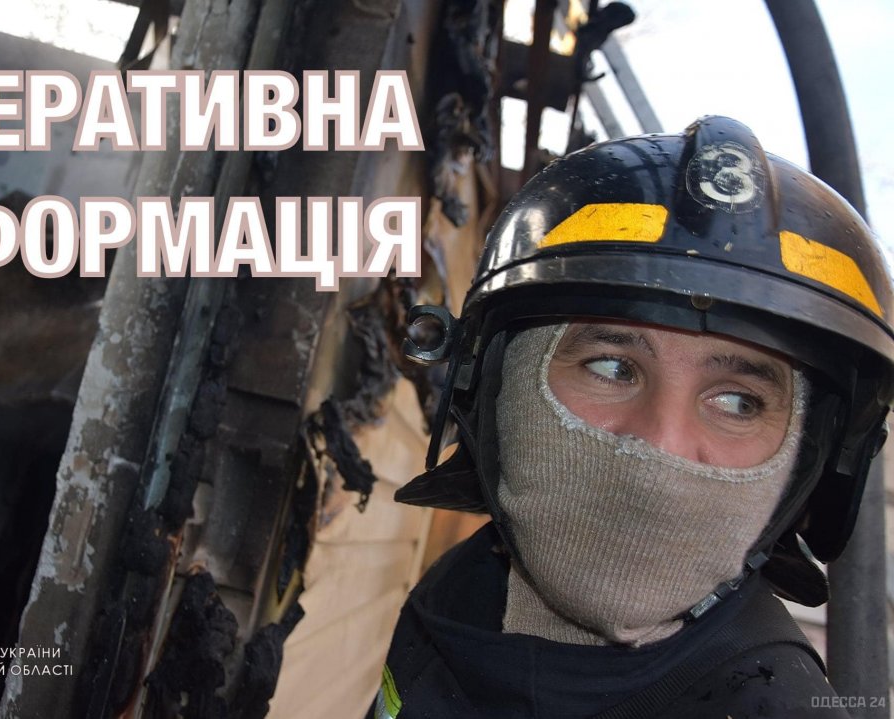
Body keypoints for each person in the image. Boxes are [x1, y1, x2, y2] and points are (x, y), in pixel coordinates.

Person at [374, 116, 894, 718]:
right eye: (612, 368)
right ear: (491, 387)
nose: (661, 446)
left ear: (808, 462)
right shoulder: (465, 588)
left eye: (738, 402)